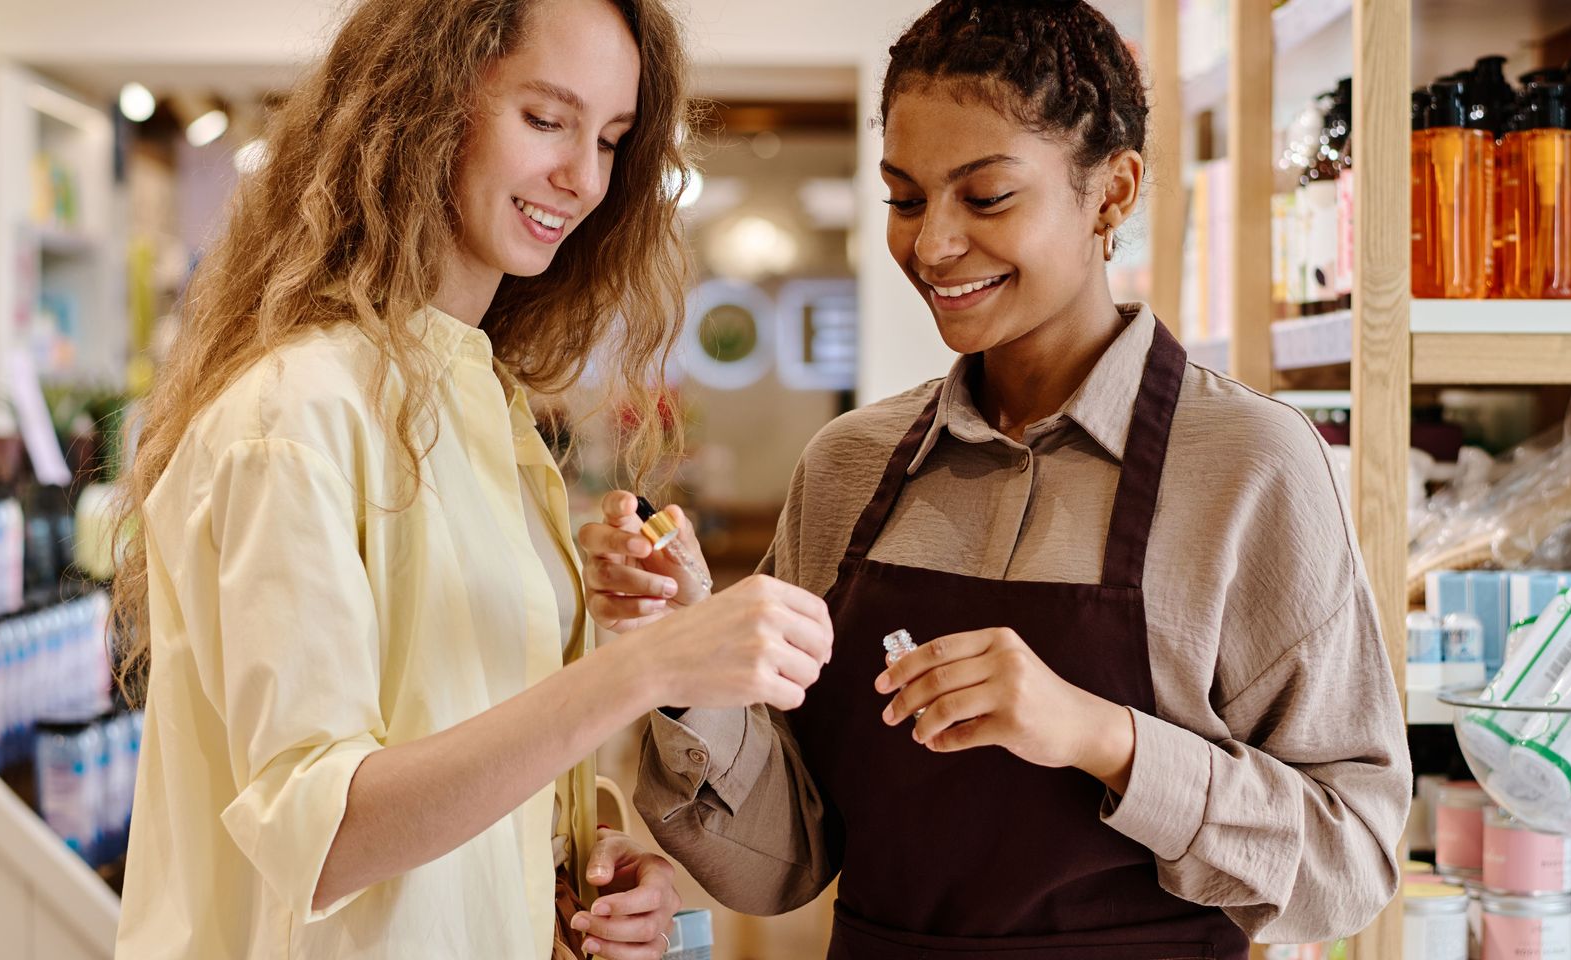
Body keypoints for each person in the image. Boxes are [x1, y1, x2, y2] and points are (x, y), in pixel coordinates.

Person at [581, 1, 1410, 956]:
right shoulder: (847, 468)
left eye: (985, 198)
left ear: (1112, 194)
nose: (932, 245)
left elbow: (1349, 866)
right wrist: (688, 653)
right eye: (904, 198)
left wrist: (1106, 739)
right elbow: (786, 863)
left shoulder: (1250, 464)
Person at [107, 0, 833, 956]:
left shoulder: (485, 402)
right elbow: (324, 838)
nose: (582, 179)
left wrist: (581, 864)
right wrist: (644, 669)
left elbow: (460, 748)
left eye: (611, 140)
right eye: (546, 120)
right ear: (420, 108)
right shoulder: (293, 415)